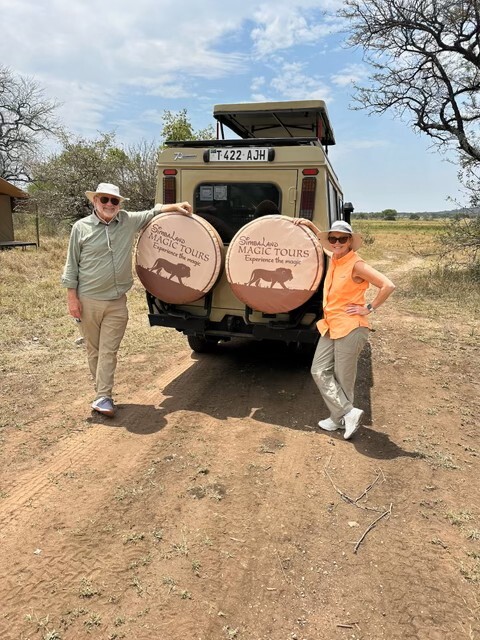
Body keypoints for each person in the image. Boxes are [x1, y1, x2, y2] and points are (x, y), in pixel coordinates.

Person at [61, 183, 192, 417]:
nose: (109, 204)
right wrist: (72, 299)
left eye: (114, 200)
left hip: (117, 302)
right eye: (104, 199)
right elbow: (71, 266)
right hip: (88, 299)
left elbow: (154, 211)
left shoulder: (127, 220)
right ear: (95, 201)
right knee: (94, 349)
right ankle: (101, 393)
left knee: (108, 350)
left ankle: (103, 396)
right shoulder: (80, 228)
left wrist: (176, 206)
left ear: (119, 204)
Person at [293, 219, 395, 440]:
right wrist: (310, 225)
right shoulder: (335, 257)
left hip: (351, 328)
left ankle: (339, 419)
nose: (337, 242)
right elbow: (323, 246)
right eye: (333, 238)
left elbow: (388, 285)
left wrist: (368, 308)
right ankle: (347, 413)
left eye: (342, 239)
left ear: (350, 241)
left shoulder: (356, 264)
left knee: (343, 377)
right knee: (318, 370)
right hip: (331, 326)